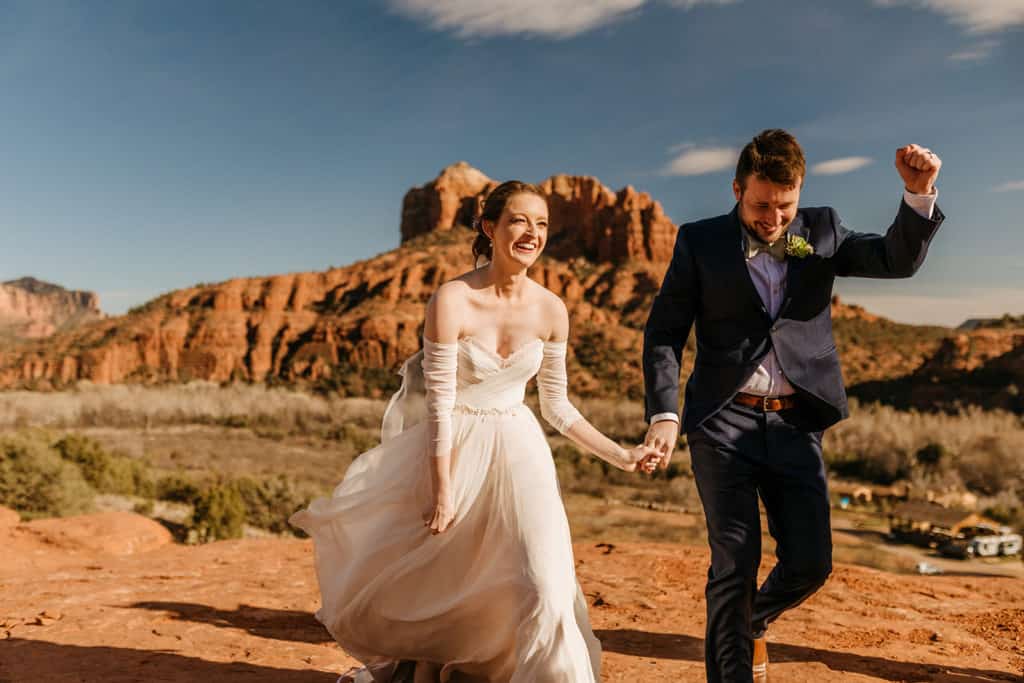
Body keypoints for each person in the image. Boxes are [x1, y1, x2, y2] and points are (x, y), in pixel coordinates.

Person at [290, 180, 662, 683]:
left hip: (520, 448)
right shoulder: (453, 299)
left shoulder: (553, 309)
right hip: (454, 450)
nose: (532, 232)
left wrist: (621, 454)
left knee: (544, 586)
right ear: (490, 227)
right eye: (519, 221)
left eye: (543, 223)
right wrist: (443, 486)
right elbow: (440, 402)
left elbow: (556, 406)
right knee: (450, 582)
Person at [641, 129, 944, 683]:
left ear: (800, 194)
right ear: (737, 189)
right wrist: (663, 413)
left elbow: (893, 260)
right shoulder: (699, 242)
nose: (773, 219)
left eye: (785, 205)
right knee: (734, 561)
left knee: (811, 562)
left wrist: (919, 193)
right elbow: (664, 333)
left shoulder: (821, 229)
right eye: (760, 205)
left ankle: (745, 624)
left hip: (796, 421)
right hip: (723, 421)